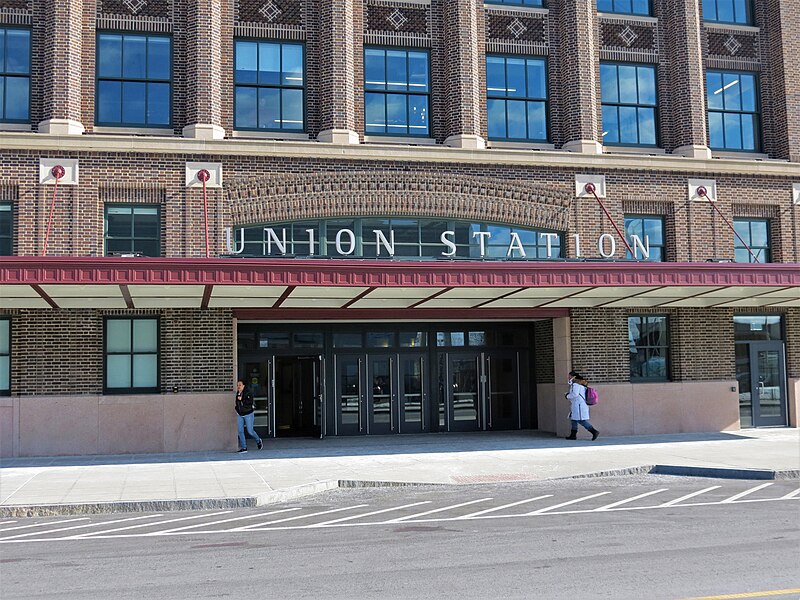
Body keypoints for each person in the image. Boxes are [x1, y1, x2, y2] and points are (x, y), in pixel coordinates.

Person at [565, 370, 599, 441]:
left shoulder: (576, 385)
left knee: (581, 420)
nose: (568, 377)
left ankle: (594, 431)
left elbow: (575, 394)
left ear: (573, 377)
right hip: (578, 405)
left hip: (578, 405)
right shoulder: (580, 384)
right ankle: (573, 435)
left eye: (569, 376)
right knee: (573, 419)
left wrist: (567, 395)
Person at [235, 379, 263, 453]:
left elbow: (249, 403)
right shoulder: (238, 393)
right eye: (237, 385)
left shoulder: (248, 393)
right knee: (240, 431)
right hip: (240, 414)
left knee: (250, 431)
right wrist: (237, 410)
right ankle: (244, 448)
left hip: (248, 414)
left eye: (240, 385)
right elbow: (237, 403)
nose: (238, 387)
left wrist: (242, 400)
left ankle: (258, 440)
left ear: (243, 386)